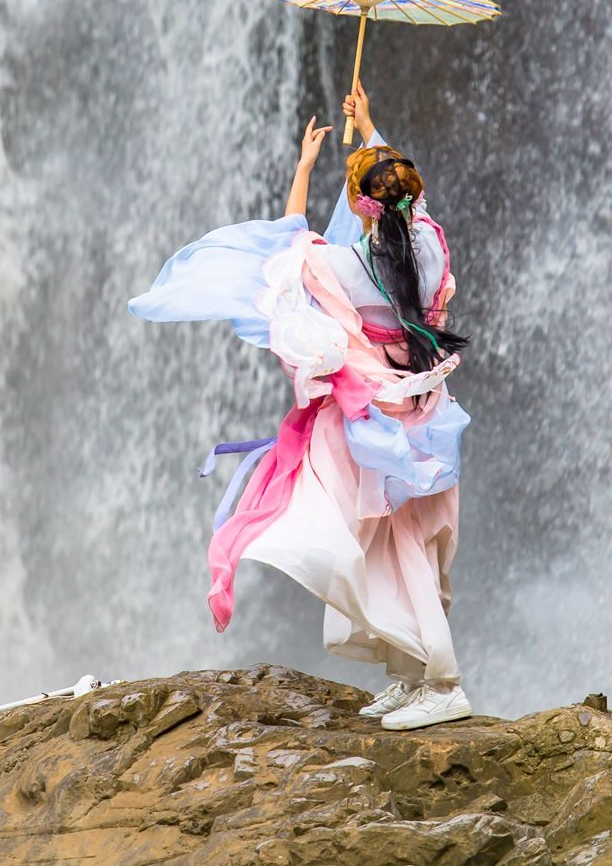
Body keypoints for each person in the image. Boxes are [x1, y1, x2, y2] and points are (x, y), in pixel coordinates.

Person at [128, 85, 475, 730]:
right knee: (404, 542)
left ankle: (445, 680)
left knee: (395, 541)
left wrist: (305, 168)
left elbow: (288, 251)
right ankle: (409, 674)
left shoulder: (348, 264)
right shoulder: (428, 241)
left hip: (379, 420)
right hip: (425, 406)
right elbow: (406, 197)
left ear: (358, 206)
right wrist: (370, 132)